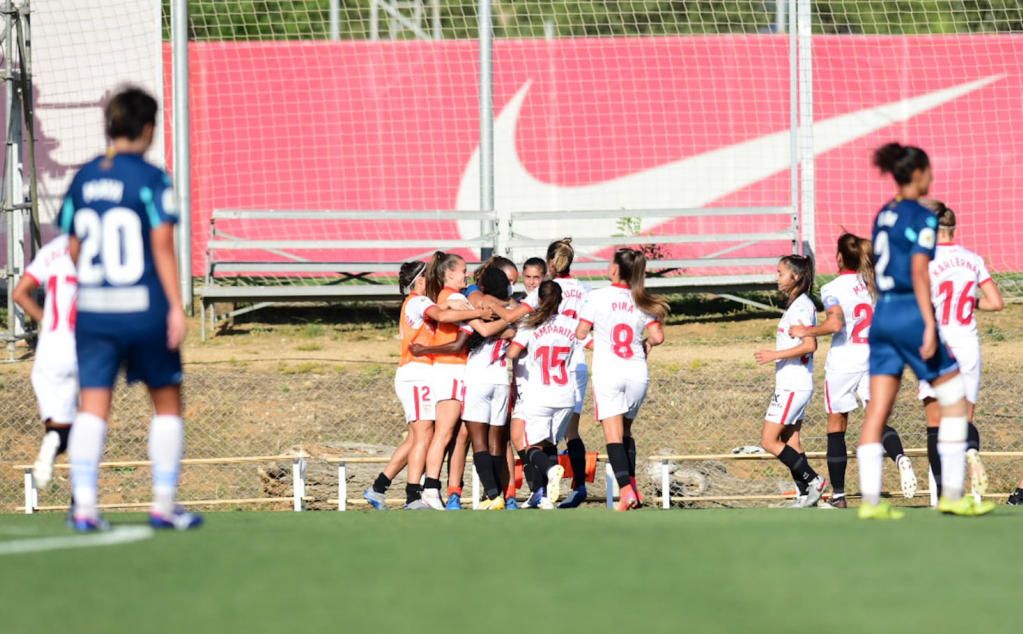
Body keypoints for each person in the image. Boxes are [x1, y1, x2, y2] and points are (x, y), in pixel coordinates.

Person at [59, 86, 198, 531]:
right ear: (149, 128)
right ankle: (164, 503)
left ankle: (84, 506)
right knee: (166, 401)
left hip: (95, 310)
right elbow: (162, 243)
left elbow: (72, 246)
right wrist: (175, 305)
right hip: (143, 307)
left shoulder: (82, 178)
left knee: (92, 406)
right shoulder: (153, 178)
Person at [857, 142, 994, 519]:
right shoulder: (922, 216)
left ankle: (870, 503)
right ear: (917, 174)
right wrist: (929, 324)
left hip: (882, 315)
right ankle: (951, 495)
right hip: (909, 313)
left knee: (878, 409)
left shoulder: (884, 213)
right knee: (954, 398)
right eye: (929, 170)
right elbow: (919, 271)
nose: (932, 176)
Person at [789, 235, 916, 508]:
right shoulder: (873, 283)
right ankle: (900, 457)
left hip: (844, 360)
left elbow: (835, 324)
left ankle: (838, 495)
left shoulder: (832, 287)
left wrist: (805, 330)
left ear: (839, 258)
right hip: (874, 358)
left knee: (837, 425)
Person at [363, 260, 489, 510]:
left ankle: (379, 488)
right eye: (428, 276)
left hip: (420, 373)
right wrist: (477, 313)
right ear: (419, 280)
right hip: (416, 373)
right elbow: (442, 315)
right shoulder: (418, 301)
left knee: (416, 437)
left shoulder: (422, 301)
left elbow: (443, 309)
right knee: (424, 435)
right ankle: (413, 496)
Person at [916, 200, 1004, 500]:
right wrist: (970, 302)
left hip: (939, 345)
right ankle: (971, 450)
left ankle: (945, 494)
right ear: (953, 228)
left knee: (936, 423)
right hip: (968, 345)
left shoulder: (925, 261)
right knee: (964, 420)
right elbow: (996, 302)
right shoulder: (973, 259)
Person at [576, 248, 667, 511]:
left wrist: (594, 343)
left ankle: (626, 491)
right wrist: (646, 343)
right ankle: (633, 488)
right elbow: (657, 337)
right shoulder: (642, 299)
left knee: (613, 435)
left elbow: (581, 332)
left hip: (609, 371)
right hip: (637, 372)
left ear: (615, 269)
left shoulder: (597, 296)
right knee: (626, 431)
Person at [418, 251, 507, 510]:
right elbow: (483, 323)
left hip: (455, 370)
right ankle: (430, 487)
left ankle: (438, 487)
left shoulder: (450, 296)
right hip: (451, 370)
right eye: (463, 271)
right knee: (445, 433)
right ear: (449, 274)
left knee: (454, 433)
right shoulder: (455, 298)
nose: (466, 275)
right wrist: (506, 316)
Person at [755, 255, 827, 508]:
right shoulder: (798, 304)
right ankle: (806, 495)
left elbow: (810, 345)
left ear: (795, 277)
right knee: (791, 441)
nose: (777, 277)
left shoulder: (801, 307)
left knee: (769, 441)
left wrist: (774, 355)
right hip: (793, 383)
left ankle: (814, 480)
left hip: (793, 384)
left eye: (780, 273)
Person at [12, 235, 78, 491]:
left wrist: (46, 320)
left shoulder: (53, 250)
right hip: (82, 346)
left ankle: (52, 441)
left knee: (57, 425)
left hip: (50, 349)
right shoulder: (103, 247)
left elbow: (19, 293)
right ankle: (81, 499)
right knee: (87, 424)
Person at [506, 281, 575, 509]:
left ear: (538, 300)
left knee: (532, 447)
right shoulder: (572, 324)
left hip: (539, 394)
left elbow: (512, 353)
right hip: (565, 394)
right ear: (561, 300)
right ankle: (545, 498)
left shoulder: (530, 325)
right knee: (550, 443)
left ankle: (550, 470)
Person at [461, 267, 517, 509]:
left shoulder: (478, 304)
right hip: (501, 378)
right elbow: (513, 329)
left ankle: (493, 494)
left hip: (478, 376)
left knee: (478, 440)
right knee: (496, 439)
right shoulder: (513, 307)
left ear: (483, 285)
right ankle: (495, 494)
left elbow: (482, 329)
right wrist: (508, 321)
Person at [546, 238, 592, 508]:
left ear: (550, 262)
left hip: (553, 361)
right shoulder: (585, 289)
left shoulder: (548, 289)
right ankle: (579, 486)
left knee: (548, 429)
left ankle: (544, 489)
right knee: (571, 431)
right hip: (578, 363)